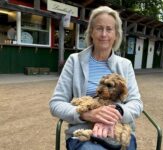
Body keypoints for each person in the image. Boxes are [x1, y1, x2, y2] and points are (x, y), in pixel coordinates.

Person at [49, 6, 143, 150]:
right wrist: (87, 114)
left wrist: (115, 113)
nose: (104, 34)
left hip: (119, 129)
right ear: (91, 32)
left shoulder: (125, 65)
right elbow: (56, 104)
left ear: (116, 35)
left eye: (109, 29)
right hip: (84, 132)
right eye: (99, 28)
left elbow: (136, 103)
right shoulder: (74, 61)